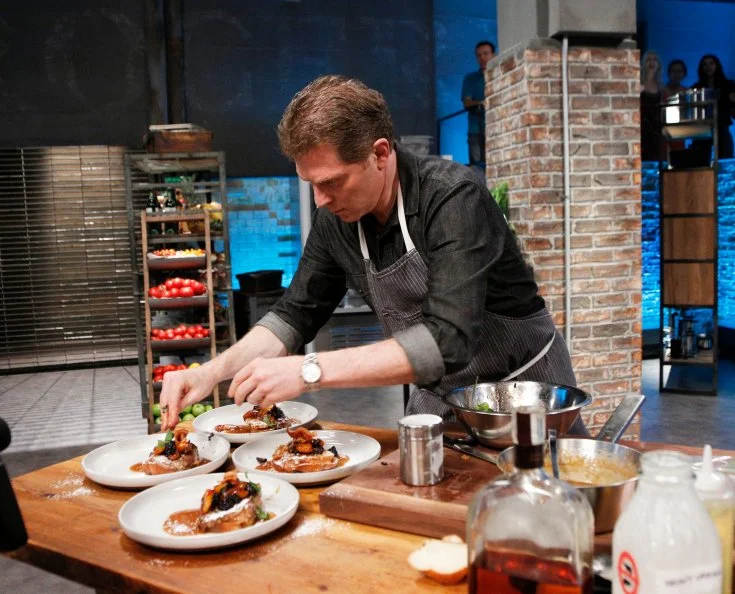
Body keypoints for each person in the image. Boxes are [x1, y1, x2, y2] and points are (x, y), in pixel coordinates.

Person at [158, 75, 583, 434]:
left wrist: (308, 371)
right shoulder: (335, 221)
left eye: (332, 182)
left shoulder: (453, 197)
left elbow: (447, 341)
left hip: (524, 396)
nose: (320, 200)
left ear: (380, 154)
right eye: (310, 184)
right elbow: (293, 315)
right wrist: (208, 374)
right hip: (444, 398)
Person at [692, 54, 735, 160]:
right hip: (702, 130)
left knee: (725, 163)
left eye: (711, 63)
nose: (708, 66)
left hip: (722, 128)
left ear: (717, 65)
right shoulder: (696, 88)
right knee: (701, 163)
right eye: (705, 64)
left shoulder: (728, 85)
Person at [461, 41, 495, 169]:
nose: (482, 58)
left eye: (486, 54)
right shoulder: (470, 78)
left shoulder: (500, 74)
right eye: (479, 55)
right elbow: (466, 102)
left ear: (493, 55)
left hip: (496, 128)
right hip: (475, 130)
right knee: (476, 168)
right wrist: (481, 103)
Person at [640, 50, 663, 162]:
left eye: (654, 60)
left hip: (656, 129)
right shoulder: (638, 81)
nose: (651, 63)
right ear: (643, 63)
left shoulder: (660, 86)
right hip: (641, 127)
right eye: (648, 59)